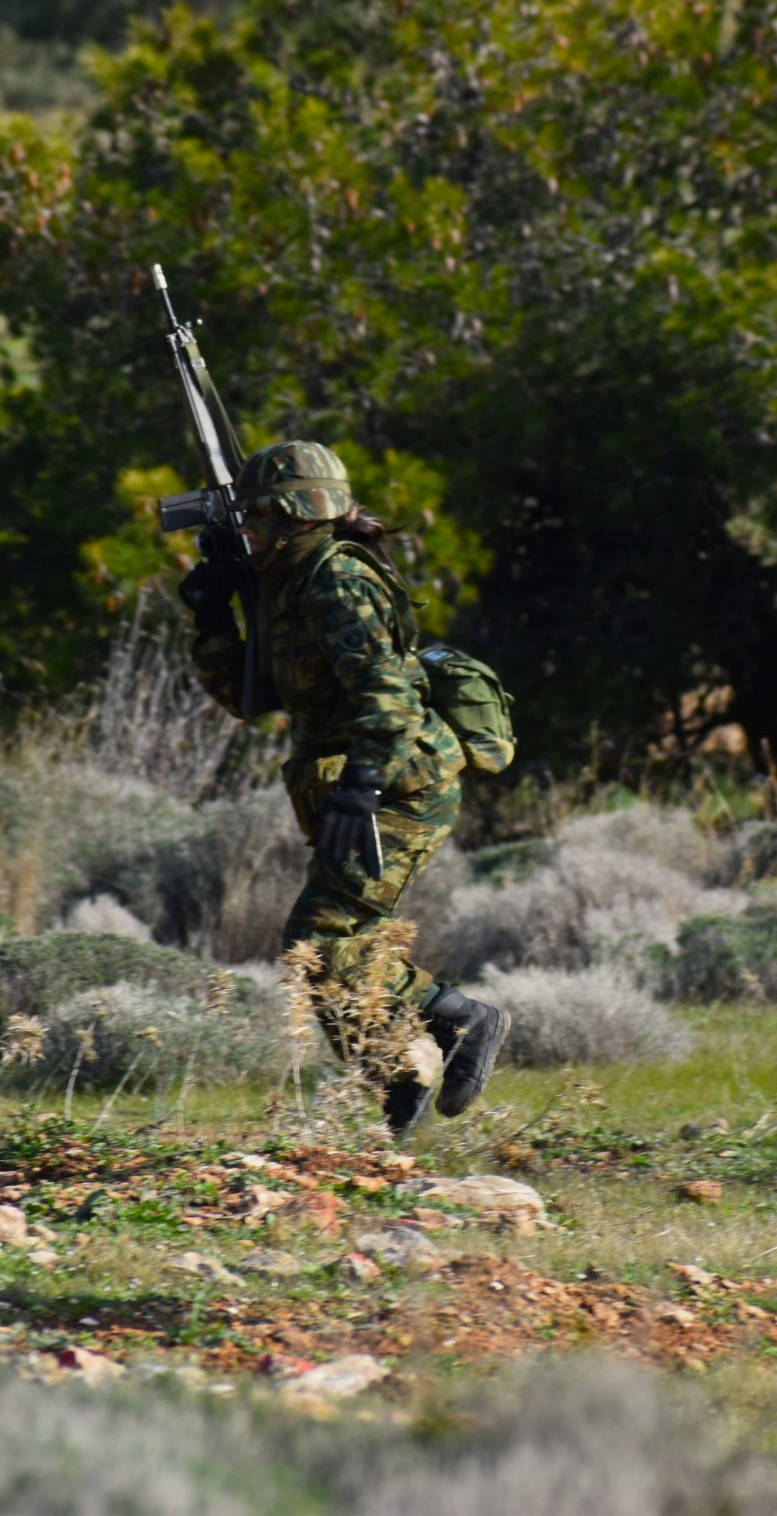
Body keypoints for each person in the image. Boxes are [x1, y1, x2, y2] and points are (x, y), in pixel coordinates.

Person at [178, 440, 505, 1138]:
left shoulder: (333, 580)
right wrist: (213, 617)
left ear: (290, 514)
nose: (248, 533)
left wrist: (360, 786)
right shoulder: (288, 584)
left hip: (397, 784)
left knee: (319, 941)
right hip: (359, 785)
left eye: (256, 518)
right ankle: (397, 1081)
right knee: (336, 947)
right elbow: (252, 695)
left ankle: (460, 1018)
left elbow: (385, 688)